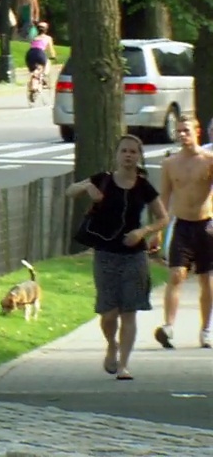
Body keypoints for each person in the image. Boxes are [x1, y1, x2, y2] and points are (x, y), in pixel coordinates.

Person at [66, 134, 170, 380]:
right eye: (124, 151)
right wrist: (85, 187)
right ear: (116, 154)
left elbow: (163, 217)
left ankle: (124, 364)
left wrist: (143, 231)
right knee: (109, 313)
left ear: (139, 156)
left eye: (133, 152)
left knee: (129, 311)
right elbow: (70, 191)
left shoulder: (144, 186)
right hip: (105, 254)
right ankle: (111, 343)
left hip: (133, 255)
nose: (128, 156)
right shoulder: (103, 180)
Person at [155, 115, 213, 350]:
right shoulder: (170, 163)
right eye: (178, 131)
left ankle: (206, 330)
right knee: (176, 275)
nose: (182, 135)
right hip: (182, 226)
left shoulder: (209, 160)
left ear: (197, 131)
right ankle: (168, 327)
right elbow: (164, 198)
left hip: (206, 225)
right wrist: (157, 230)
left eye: (186, 130)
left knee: (206, 280)